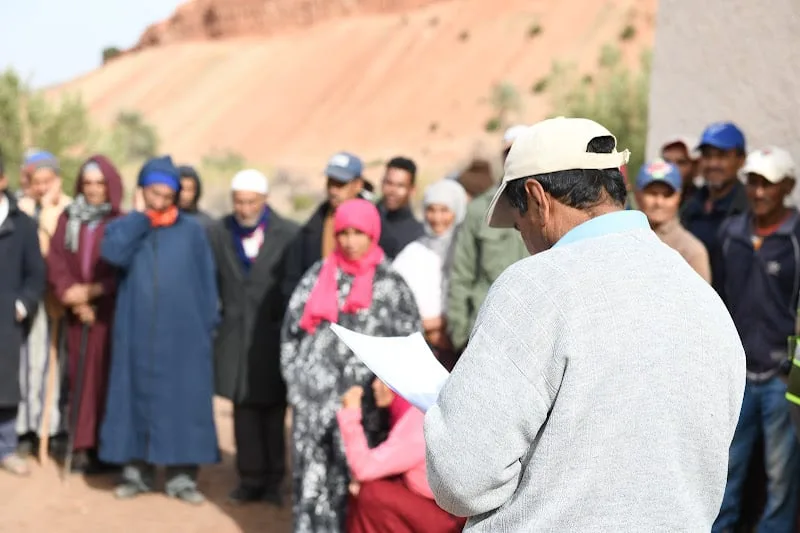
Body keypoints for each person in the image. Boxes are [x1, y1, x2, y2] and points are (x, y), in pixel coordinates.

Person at [424, 117, 746, 531]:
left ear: (536, 198)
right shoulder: (705, 301)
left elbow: (460, 479)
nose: (523, 236)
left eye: (518, 221)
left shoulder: (534, 286)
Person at [281, 198, 420, 533]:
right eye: (344, 233)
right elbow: (290, 336)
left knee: (356, 490)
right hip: (314, 409)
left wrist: (390, 390)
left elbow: (410, 347)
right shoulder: (317, 276)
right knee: (313, 489)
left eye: (359, 233)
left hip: (365, 413)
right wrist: (297, 387)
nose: (350, 241)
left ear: (372, 234)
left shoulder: (391, 284)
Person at [99, 156, 219, 504]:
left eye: (169, 195)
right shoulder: (126, 226)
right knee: (134, 400)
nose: (161, 201)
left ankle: (182, 479)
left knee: (184, 404)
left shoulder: (192, 230)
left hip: (184, 337)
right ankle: (137, 474)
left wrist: (207, 325)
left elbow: (206, 283)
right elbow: (113, 254)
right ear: (142, 191)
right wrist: (139, 218)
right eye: (155, 193)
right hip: (135, 335)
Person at [713, 146, 800, 532]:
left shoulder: (798, 238)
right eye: (753, 182)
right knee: (726, 470)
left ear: (787, 187)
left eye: (767, 184)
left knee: (781, 477)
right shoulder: (730, 233)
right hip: (738, 377)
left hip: (783, 378)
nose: (758, 192)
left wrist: (791, 371)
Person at [207, 169, 298, 505]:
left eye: (251, 202)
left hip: (271, 337)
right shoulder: (217, 233)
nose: (244, 209)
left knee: (273, 411)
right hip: (233, 336)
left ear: (264, 201)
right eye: (239, 202)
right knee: (242, 409)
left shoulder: (288, 234)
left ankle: (274, 481)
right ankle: (249, 479)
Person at [46, 156, 123, 474]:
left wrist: (95, 291)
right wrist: (72, 296)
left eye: (99, 184)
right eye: (88, 183)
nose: (93, 190)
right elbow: (56, 259)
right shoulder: (68, 219)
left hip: (109, 314)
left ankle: (107, 449)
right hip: (77, 314)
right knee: (79, 379)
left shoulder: (120, 221)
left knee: (108, 378)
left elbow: (123, 266)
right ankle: (80, 445)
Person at [338, 379, 465, 533]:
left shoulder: (417, 423)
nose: (374, 385)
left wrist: (350, 413)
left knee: (370, 493)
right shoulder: (415, 411)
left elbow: (363, 468)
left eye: (381, 378)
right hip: (439, 506)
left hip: (448, 517)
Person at [446, 126, 528, 353]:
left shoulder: (551, 207)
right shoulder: (479, 210)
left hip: (533, 331)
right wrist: (460, 335)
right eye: (509, 152)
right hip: (484, 333)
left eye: (523, 150)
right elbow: (461, 274)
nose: (516, 158)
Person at [16, 150, 72, 457]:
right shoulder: (21, 208)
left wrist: (50, 214)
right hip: (30, 297)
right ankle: (27, 427)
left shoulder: (69, 209)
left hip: (59, 297)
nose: (41, 187)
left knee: (57, 363)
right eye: (36, 182)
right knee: (30, 363)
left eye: (47, 181)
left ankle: (55, 428)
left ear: (57, 180)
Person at [0, 156, 46, 476]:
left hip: (6, 319)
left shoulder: (24, 225)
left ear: (2, 181)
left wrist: (21, 306)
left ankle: (5, 448)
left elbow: (36, 275)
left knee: (5, 387)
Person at [392, 179, 468, 370]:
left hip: (462, 351)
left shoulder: (467, 251)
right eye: (431, 209)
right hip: (419, 350)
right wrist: (428, 327)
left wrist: (448, 325)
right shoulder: (413, 253)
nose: (436, 218)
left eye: (444, 210)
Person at [283, 152, 367, 297]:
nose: (333, 190)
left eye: (341, 184)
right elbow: (293, 278)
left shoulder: (375, 225)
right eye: (330, 183)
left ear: (358, 185)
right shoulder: (312, 228)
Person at [681, 122, 748, 293]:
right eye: (707, 156)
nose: (713, 164)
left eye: (722, 156)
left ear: (741, 160)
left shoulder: (749, 210)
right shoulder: (690, 206)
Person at [635, 158, 711, 282]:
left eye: (667, 195)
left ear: (679, 197)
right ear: (638, 195)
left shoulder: (692, 251)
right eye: (652, 193)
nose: (659, 202)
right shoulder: (624, 238)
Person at [376, 157, 424, 258]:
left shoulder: (417, 233)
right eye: (389, 183)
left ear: (412, 190)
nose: (392, 191)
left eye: (400, 186)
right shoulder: (368, 219)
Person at [660, 135, 702, 208]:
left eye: (681, 162)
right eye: (667, 162)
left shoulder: (702, 205)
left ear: (696, 168)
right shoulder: (653, 200)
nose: (672, 168)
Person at [177, 165, 215, 229]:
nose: (184, 195)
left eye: (189, 190)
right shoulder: (163, 220)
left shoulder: (207, 223)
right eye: (181, 189)